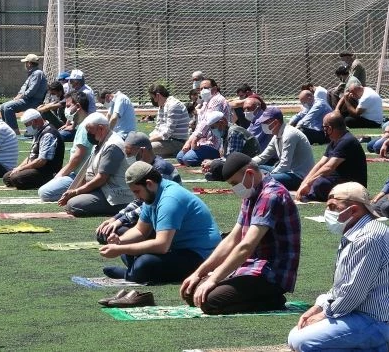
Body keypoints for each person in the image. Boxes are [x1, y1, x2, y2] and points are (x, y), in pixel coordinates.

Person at [287, 182, 389, 352]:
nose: (328, 212)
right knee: (298, 335)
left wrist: (324, 314)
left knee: (302, 341)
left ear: (354, 210)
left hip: (375, 321)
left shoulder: (368, 237)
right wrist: (317, 307)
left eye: (333, 207)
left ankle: (377, 345)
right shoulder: (359, 232)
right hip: (358, 315)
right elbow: (341, 287)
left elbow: (353, 292)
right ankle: (378, 347)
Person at [180, 152, 301, 315]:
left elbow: (246, 246)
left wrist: (214, 278)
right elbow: (232, 239)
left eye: (235, 183)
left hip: (271, 274)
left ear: (249, 174)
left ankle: (272, 300)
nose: (235, 188)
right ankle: (257, 297)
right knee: (192, 292)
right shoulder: (251, 193)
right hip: (251, 268)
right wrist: (199, 273)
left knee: (209, 301)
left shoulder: (271, 195)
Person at [99, 162, 221, 284]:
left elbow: (162, 246)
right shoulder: (153, 194)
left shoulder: (170, 200)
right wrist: (119, 242)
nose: (136, 196)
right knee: (124, 236)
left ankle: (131, 274)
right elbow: (140, 230)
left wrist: (120, 249)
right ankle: (136, 271)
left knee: (145, 263)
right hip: (177, 247)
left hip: (200, 255)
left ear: (149, 184)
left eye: (137, 191)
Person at [95, 131, 182, 243]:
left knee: (119, 232)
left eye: (130, 153)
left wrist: (121, 220)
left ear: (142, 150)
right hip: (152, 213)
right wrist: (115, 218)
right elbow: (139, 202)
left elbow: (150, 205)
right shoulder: (146, 168)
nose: (128, 157)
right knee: (109, 232)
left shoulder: (160, 169)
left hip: (165, 219)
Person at [57, 113, 134, 216]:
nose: (88, 134)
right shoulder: (99, 142)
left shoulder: (112, 146)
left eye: (90, 130)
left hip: (115, 195)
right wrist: (74, 191)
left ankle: (118, 209)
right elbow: (88, 173)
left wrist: (76, 192)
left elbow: (102, 178)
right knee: (72, 200)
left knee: (73, 204)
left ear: (101, 128)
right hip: (103, 190)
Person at [296, 111, 367, 202]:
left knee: (320, 183)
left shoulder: (347, 141)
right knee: (317, 181)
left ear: (329, 128)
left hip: (352, 186)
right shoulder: (335, 141)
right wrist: (304, 183)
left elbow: (329, 167)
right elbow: (321, 164)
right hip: (339, 181)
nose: (323, 130)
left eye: (324, 127)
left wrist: (309, 183)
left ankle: (311, 193)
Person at [38, 92, 94, 201]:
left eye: (68, 106)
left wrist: (61, 174)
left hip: (80, 175)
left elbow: (78, 157)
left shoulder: (84, 127)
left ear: (78, 107)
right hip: (83, 172)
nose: (66, 110)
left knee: (44, 193)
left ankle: (81, 191)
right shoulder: (85, 123)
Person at [251, 107, 314, 191]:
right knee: (254, 168)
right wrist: (247, 163)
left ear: (276, 122)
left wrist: (268, 175)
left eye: (265, 122)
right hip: (287, 172)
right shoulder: (277, 135)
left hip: (299, 177)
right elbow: (263, 157)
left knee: (262, 179)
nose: (263, 124)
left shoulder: (289, 135)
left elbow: (284, 165)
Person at [3, 109, 64, 189]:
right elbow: (31, 156)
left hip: (48, 171)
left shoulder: (48, 134)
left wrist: (22, 169)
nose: (26, 128)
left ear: (35, 121)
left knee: (16, 178)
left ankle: (49, 181)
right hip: (38, 168)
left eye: (27, 125)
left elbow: (41, 161)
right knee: (7, 177)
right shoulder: (39, 131)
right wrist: (18, 168)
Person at [177, 79, 232, 166]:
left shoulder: (217, 100)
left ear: (215, 88)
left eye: (206, 88)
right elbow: (199, 125)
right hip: (203, 142)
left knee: (188, 159)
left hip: (215, 144)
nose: (202, 91)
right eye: (200, 89)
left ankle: (216, 158)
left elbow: (207, 123)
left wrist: (194, 139)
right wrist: (189, 142)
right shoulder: (206, 102)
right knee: (180, 157)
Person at [0, 53, 48, 134]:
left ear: (29, 63)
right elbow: (23, 88)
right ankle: (7, 131)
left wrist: (21, 96)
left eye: (26, 62)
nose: (25, 65)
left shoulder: (37, 73)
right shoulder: (33, 74)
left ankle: (14, 132)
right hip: (28, 100)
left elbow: (32, 90)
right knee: (3, 106)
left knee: (8, 107)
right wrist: (18, 96)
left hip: (33, 101)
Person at [148, 84, 190, 158]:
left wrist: (150, 140)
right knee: (139, 141)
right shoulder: (162, 105)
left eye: (152, 97)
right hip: (166, 140)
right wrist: (149, 137)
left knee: (145, 148)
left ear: (158, 95)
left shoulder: (173, 106)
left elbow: (167, 133)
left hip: (177, 142)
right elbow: (158, 127)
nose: (151, 99)